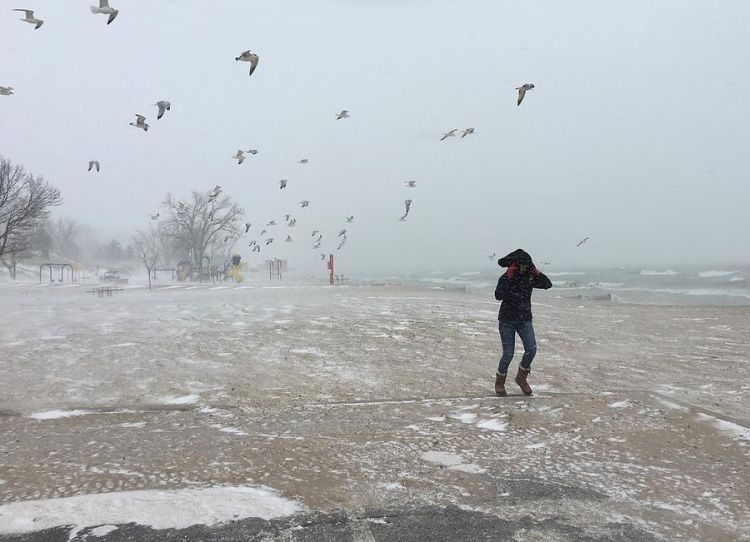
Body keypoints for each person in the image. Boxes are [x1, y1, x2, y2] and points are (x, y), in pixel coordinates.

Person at [493, 249, 552, 396]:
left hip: (525, 319)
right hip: (506, 320)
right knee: (508, 354)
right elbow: (498, 295)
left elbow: (547, 285)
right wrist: (508, 275)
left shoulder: (529, 277)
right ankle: (499, 383)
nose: (523, 269)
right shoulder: (506, 277)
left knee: (531, 350)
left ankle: (521, 378)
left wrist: (536, 272)